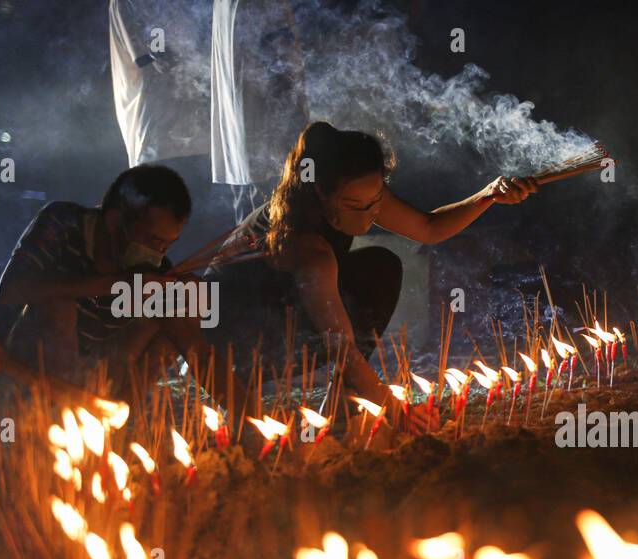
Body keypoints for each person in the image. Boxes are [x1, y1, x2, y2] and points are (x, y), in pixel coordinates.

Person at [207, 121, 539, 414]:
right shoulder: (305, 244)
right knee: (364, 288)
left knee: (380, 266)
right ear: (322, 191)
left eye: (377, 200)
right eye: (356, 205)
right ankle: (341, 398)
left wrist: (489, 195)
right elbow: (342, 347)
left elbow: (429, 227)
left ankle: (345, 399)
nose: (370, 214)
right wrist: (393, 410)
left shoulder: (357, 194)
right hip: (234, 349)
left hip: (287, 316)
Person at [0, 165, 238, 414]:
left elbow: (197, 352)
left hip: (90, 384)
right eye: (153, 240)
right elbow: (12, 290)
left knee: (172, 319)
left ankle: (112, 425)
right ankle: (49, 425)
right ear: (114, 220)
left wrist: (191, 304)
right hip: (11, 377)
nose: (158, 254)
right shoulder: (62, 223)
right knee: (59, 305)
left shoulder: (150, 271)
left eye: (167, 246)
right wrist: (112, 285)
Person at [108, 0, 226, 256]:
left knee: (207, 251)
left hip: (200, 145)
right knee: (170, 252)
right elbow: (163, 57)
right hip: (163, 149)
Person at [211, 0, 310, 221]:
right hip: (269, 122)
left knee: (249, 213)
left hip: (243, 122)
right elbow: (280, 56)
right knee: (275, 213)